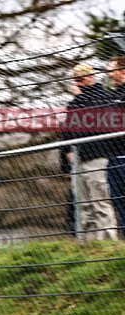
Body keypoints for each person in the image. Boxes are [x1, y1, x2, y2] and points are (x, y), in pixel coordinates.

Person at [59, 64, 119, 241]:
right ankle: (88, 243)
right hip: (78, 159)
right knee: (83, 205)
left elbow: (95, 118)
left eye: (83, 78)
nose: (81, 82)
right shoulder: (74, 104)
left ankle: (108, 242)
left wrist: (79, 96)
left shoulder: (101, 97)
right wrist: (66, 161)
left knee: (100, 201)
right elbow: (66, 133)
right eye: (77, 79)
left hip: (97, 156)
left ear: (91, 78)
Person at [106, 56, 125, 237]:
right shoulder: (114, 95)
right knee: (118, 201)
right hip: (113, 157)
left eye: (111, 70)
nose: (109, 74)